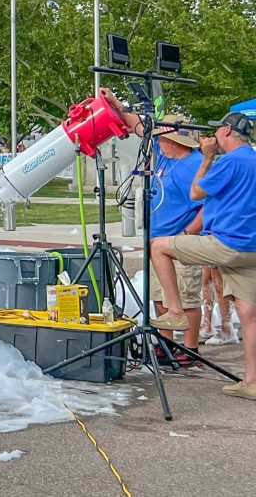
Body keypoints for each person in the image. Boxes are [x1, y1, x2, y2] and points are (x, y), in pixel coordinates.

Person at [148, 111, 256, 401]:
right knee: (249, 315)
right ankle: (251, 380)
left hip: (227, 244)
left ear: (226, 132)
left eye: (218, 132)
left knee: (159, 246)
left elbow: (196, 193)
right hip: (252, 249)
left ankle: (174, 311)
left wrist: (207, 158)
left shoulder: (229, 161)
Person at [99, 97, 209, 365]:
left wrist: (188, 235)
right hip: (156, 240)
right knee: (159, 293)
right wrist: (114, 101)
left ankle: (190, 348)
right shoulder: (164, 157)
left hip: (180, 241)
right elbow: (139, 128)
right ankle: (166, 343)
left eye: (161, 139)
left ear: (176, 142)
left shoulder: (194, 166)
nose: (156, 143)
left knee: (186, 296)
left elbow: (207, 207)